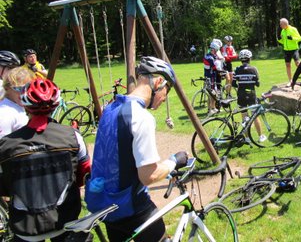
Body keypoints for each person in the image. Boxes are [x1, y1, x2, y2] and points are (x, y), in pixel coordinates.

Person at [85, 56, 188, 242]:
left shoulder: (110, 108)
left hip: (104, 203)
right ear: (158, 82)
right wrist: (174, 160)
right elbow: (148, 176)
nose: (165, 98)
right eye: (167, 90)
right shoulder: (141, 117)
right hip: (130, 206)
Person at [0, 78, 91, 241]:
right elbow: (84, 175)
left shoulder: (6, 145)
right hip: (64, 221)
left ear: (25, 106)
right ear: (55, 105)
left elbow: (4, 187)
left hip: (26, 227)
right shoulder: (73, 136)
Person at [232, 49, 266, 143]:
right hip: (251, 94)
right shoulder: (253, 69)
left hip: (241, 95)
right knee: (255, 116)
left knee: (244, 117)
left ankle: (247, 138)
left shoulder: (237, 70)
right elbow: (257, 83)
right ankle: (260, 136)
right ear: (249, 59)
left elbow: (234, 83)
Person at [0, 67, 35, 138]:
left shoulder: (16, 106)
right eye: (19, 88)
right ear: (7, 88)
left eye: (28, 88)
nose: (24, 93)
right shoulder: (5, 114)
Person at [277, 18, 301, 86]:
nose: (280, 26)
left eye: (281, 24)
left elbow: (299, 38)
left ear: (285, 24)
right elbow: (283, 41)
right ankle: (290, 81)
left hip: (294, 49)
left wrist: (292, 38)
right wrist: (279, 40)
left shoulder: (293, 29)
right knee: (288, 65)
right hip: (286, 50)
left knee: (298, 64)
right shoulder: (283, 31)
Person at [204, 41, 221, 115]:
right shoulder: (210, 58)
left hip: (208, 76)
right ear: (213, 49)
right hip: (211, 77)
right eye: (216, 50)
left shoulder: (207, 55)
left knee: (212, 93)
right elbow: (215, 68)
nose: (216, 52)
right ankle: (211, 109)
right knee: (212, 93)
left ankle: (212, 108)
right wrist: (222, 71)